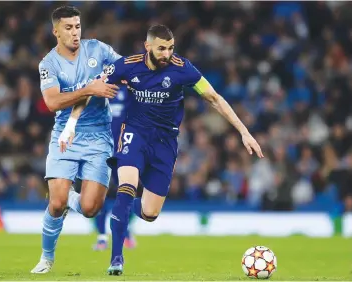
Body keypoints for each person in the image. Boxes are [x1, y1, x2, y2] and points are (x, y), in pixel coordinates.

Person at [60, 24, 264, 276]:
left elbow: (214, 97)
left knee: (149, 212)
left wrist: (244, 131)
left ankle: (118, 213)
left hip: (165, 142)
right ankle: (116, 258)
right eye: (161, 48)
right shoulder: (127, 65)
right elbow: (90, 90)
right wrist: (70, 124)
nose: (167, 53)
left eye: (170, 48)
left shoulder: (182, 69)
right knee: (127, 186)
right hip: (134, 133)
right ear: (148, 47)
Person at [30, 5, 120, 274]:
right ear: (55, 31)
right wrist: (89, 88)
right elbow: (52, 102)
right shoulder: (48, 64)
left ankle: (70, 197)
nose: (75, 32)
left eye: (78, 26)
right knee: (55, 204)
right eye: (68, 28)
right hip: (65, 137)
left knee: (91, 208)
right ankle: (46, 257)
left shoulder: (98, 50)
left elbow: (123, 68)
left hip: (99, 136)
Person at [92, 85, 137, 251]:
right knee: (97, 194)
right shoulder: (100, 89)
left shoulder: (132, 91)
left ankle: (125, 231)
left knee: (127, 192)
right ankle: (102, 237)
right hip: (102, 148)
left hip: (124, 148)